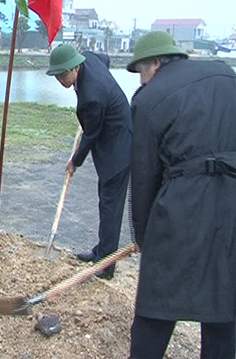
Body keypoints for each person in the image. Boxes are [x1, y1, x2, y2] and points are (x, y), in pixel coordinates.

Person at [127, 31, 236, 359]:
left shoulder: (149, 99)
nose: (142, 82)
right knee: (224, 303)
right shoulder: (226, 76)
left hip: (181, 207)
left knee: (157, 303)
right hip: (231, 205)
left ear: (156, 63)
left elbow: (144, 177)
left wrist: (145, 237)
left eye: (142, 73)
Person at [46, 44, 132, 279]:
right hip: (111, 131)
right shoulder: (91, 59)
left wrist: (75, 161)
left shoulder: (91, 97)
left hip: (119, 146)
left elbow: (91, 135)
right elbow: (105, 59)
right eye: (57, 76)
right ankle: (101, 251)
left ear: (75, 67)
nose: (61, 80)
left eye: (63, 74)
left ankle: (106, 266)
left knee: (110, 206)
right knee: (104, 201)